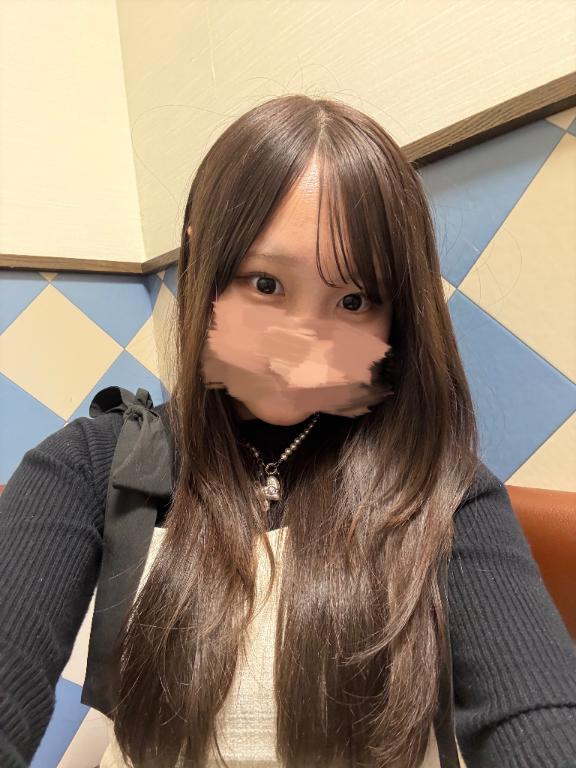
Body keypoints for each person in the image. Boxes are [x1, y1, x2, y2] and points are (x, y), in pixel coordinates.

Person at [1, 95, 575, 768]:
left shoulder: (442, 488)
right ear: (203, 260)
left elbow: (533, 714)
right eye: (267, 284)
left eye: (352, 300)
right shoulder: (93, 464)